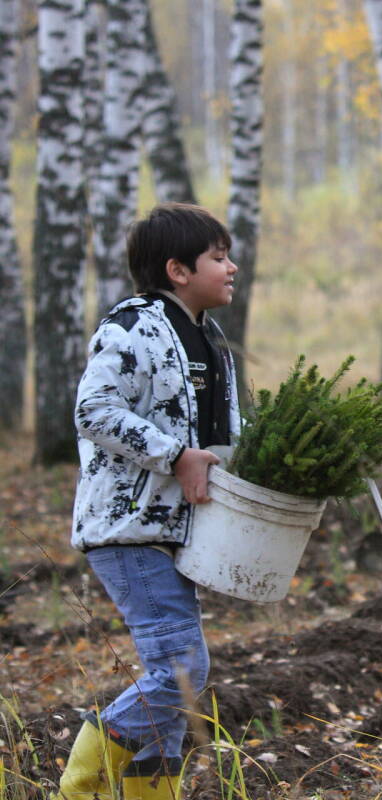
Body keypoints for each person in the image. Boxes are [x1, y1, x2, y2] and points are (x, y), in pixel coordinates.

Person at [54, 203, 240, 799]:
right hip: (129, 527)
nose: (232, 267)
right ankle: (77, 790)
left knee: (177, 689)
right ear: (178, 269)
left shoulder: (210, 341)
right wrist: (174, 455)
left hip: (174, 532)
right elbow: (94, 411)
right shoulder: (133, 326)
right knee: (181, 674)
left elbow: (219, 437)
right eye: (218, 257)